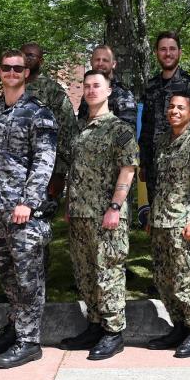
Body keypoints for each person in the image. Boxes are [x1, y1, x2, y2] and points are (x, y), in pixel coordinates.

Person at [0, 50, 58, 368]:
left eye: (17, 68)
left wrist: (28, 201)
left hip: (23, 212)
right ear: (0, 72)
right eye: (6, 68)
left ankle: (29, 341)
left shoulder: (39, 113)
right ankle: (16, 326)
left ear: (26, 73)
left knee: (28, 277)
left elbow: (44, 161)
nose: (11, 72)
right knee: (7, 274)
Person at [58, 70, 138, 360]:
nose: (91, 91)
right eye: (87, 86)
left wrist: (115, 207)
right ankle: (94, 325)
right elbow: (74, 172)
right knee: (85, 274)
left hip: (106, 216)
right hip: (80, 215)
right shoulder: (80, 129)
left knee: (108, 273)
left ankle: (113, 332)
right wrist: (69, 206)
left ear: (108, 91)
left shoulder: (120, 130)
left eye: (97, 86)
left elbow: (127, 170)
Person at [146, 92, 190, 358]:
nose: (174, 111)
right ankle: (179, 326)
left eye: (180, 108)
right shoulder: (163, 141)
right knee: (164, 280)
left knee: (185, 279)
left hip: (182, 223)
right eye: (171, 106)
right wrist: (153, 216)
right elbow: (160, 184)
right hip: (161, 221)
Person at [139, 31, 190, 205]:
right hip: (155, 163)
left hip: (182, 166)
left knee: (182, 220)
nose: (167, 53)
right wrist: (144, 162)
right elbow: (146, 127)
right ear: (156, 53)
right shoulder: (151, 86)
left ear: (179, 52)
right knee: (156, 219)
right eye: (163, 49)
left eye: (172, 49)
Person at [20, 42, 78, 200]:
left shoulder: (52, 90)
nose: (26, 59)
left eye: (31, 55)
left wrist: (59, 172)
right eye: (23, 55)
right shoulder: (13, 85)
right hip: (14, 170)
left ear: (41, 61)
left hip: (43, 170)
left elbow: (67, 130)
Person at [77, 45, 138, 127]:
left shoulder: (124, 95)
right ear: (91, 62)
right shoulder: (88, 94)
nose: (100, 63)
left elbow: (127, 131)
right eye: (97, 59)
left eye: (105, 60)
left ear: (113, 64)